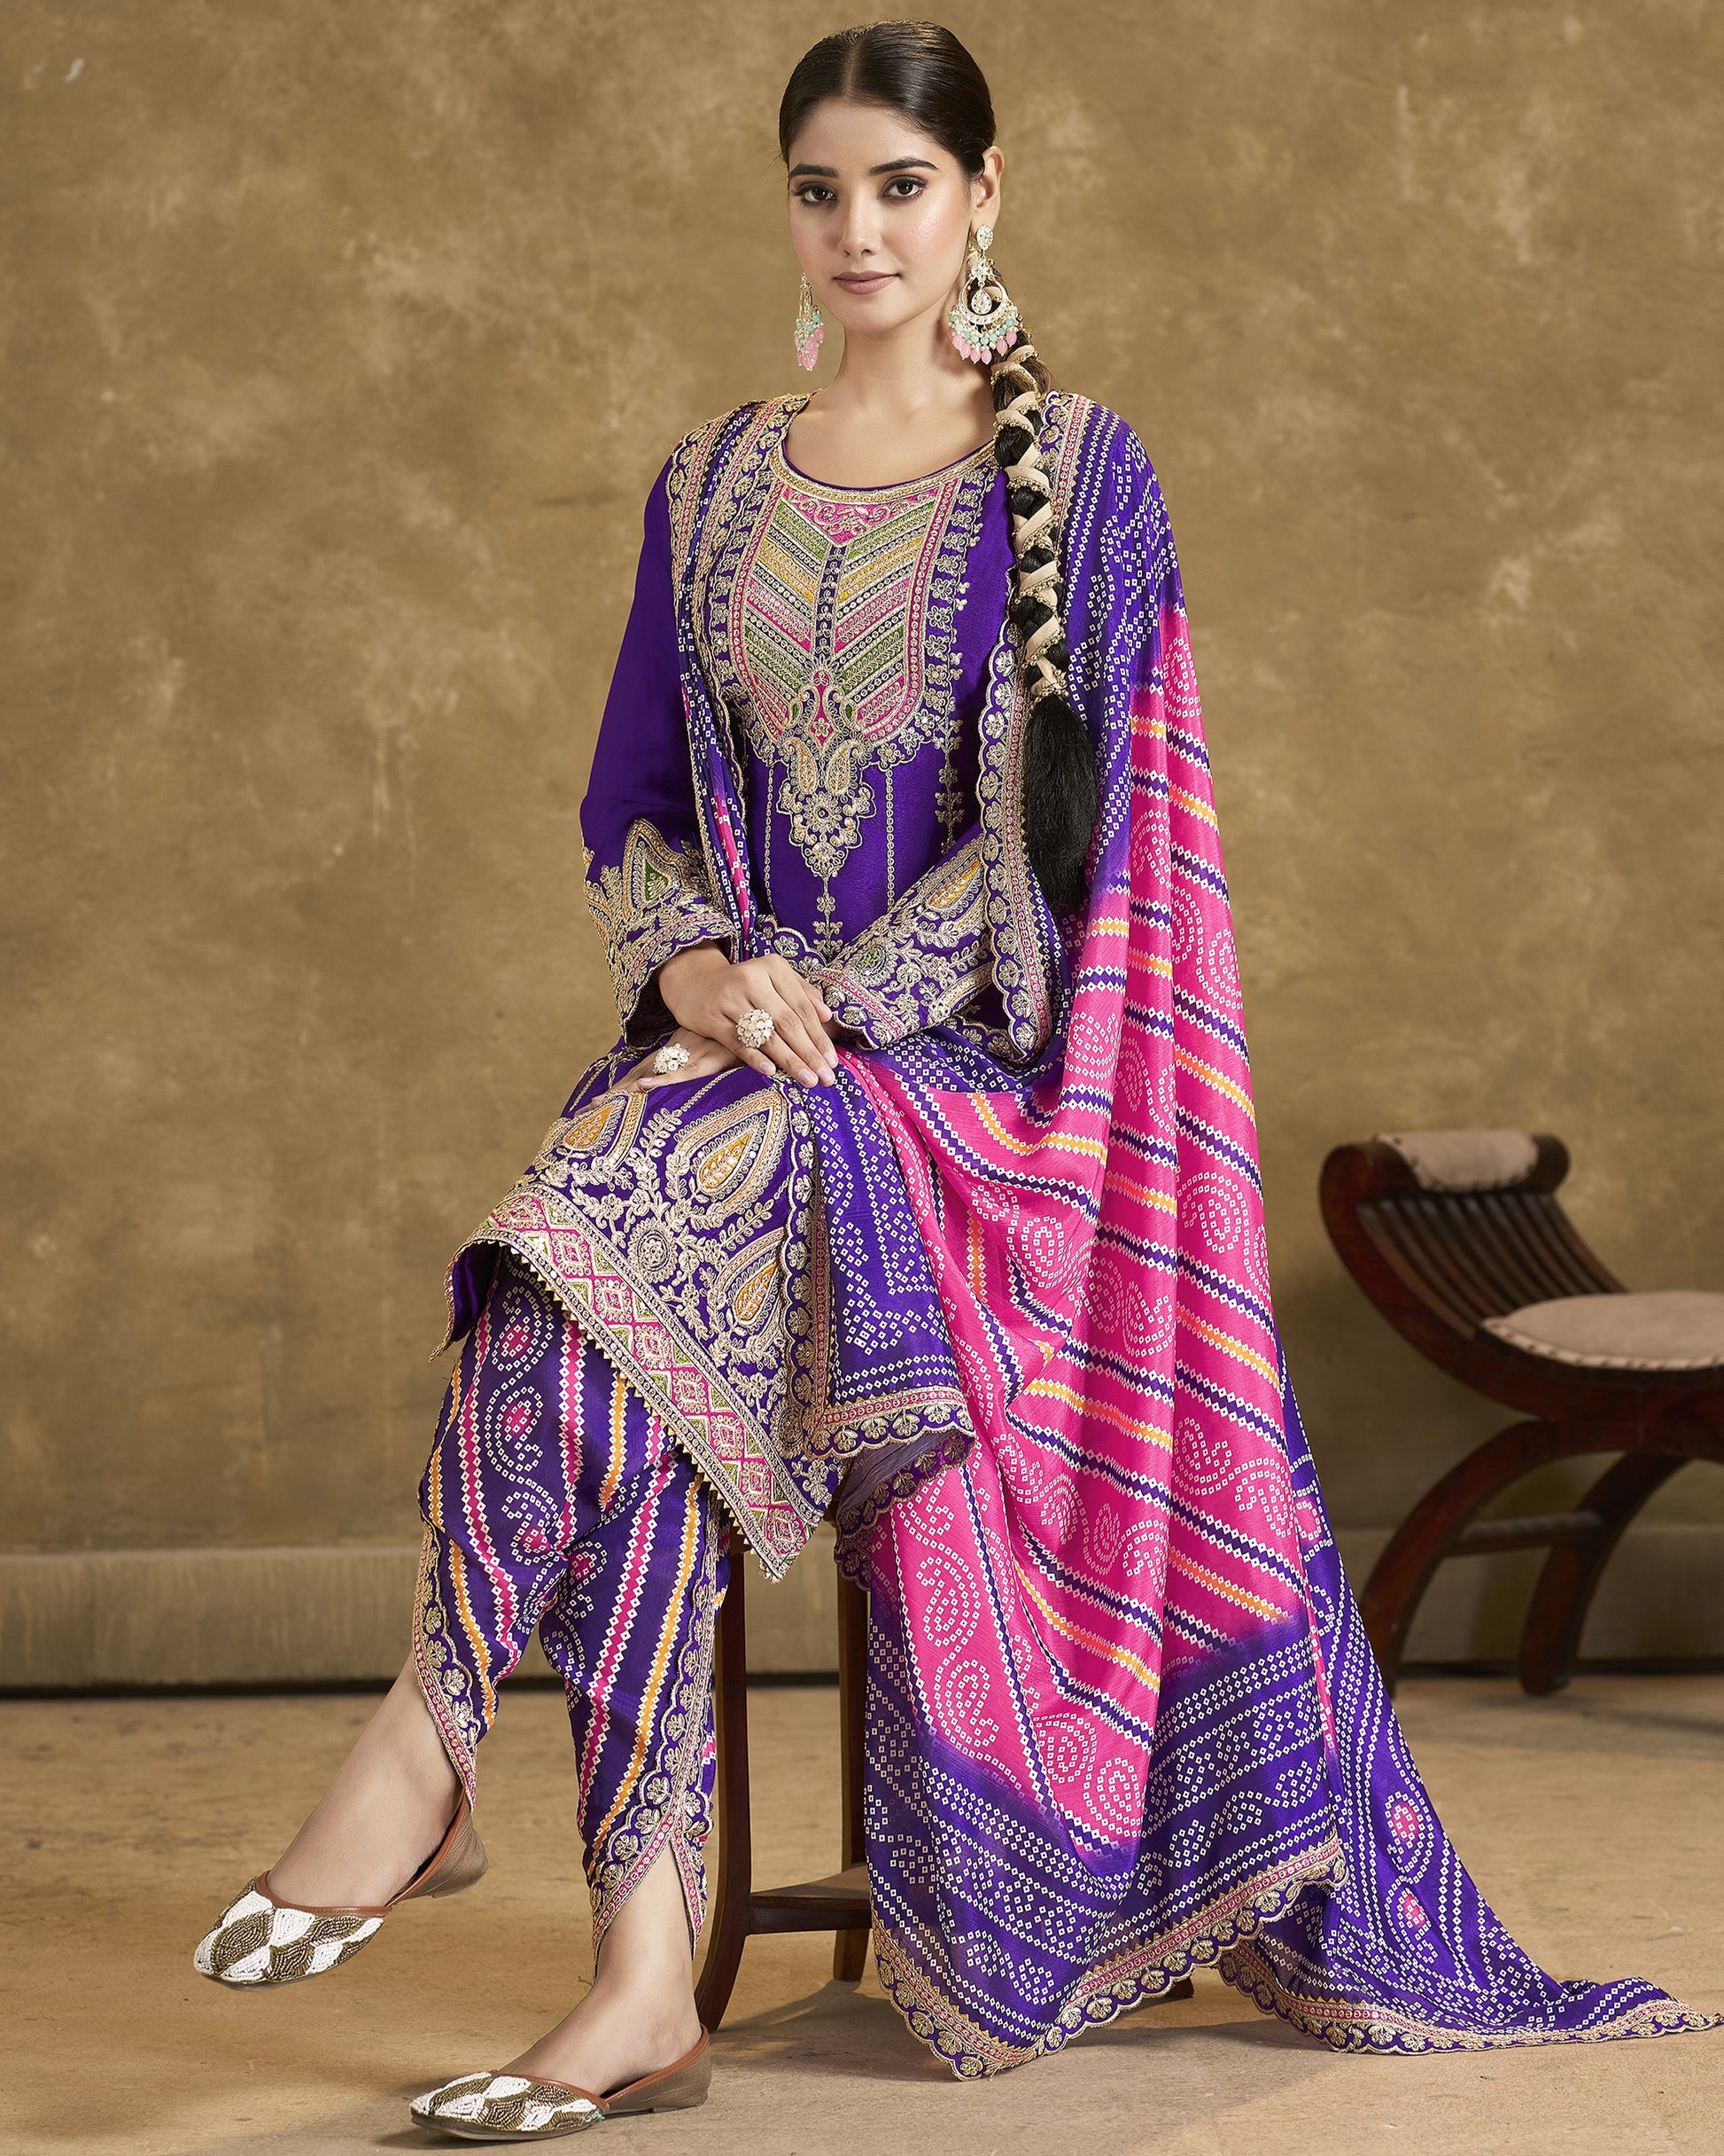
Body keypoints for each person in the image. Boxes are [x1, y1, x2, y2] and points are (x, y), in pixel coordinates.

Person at [192, 20, 1713, 2141]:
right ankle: (628, 1968)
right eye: (819, 189)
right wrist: (712, 973)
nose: (858, 230)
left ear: (982, 198)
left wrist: (829, 1003)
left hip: (994, 1104)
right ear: (785, 211)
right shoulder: (712, 483)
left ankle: (433, 1752)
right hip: (739, 1076)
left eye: (901, 185)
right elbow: (626, 812)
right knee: (565, 1310)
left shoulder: (1081, 476)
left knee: (597, 1239)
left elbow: (1076, 877)